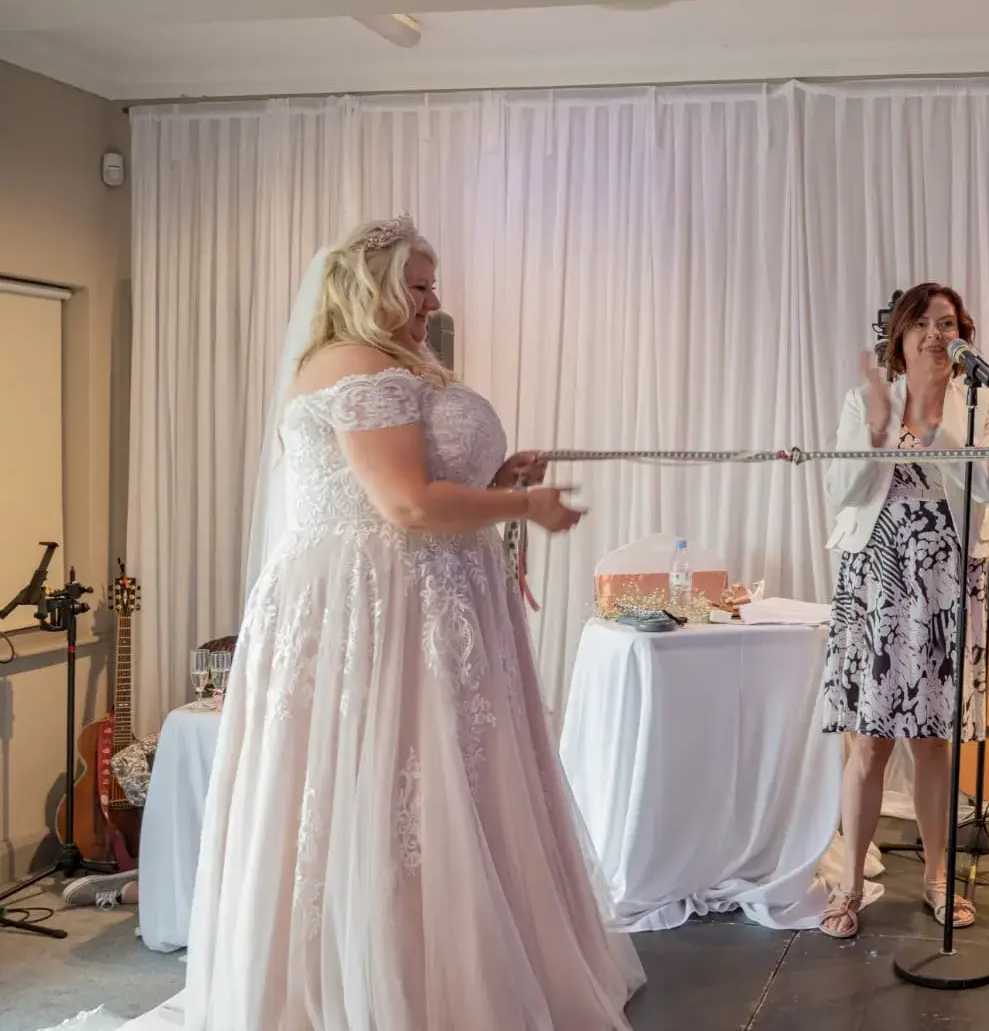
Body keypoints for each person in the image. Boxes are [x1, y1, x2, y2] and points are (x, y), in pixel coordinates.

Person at [177, 215, 646, 1030]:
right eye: (419, 286)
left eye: (433, 285)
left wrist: (495, 479)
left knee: (449, 785)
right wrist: (521, 505)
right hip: (375, 606)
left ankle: (463, 965)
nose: (434, 301)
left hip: (429, 594)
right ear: (372, 288)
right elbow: (403, 504)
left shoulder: (396, 363)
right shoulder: (356, 365)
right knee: (387, 783)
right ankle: (392, 984)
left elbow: (414, 485)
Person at [817, 282, 989, 939]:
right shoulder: (865, 401)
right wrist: (879, 425)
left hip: (947, 583)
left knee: (934, 742)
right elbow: (840, 487)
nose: (937, 333)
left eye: (949, 323)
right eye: (925, 322)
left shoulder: (983, 399)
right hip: (874, 581)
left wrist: (935, 423)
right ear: (900, 334)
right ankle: (849, 887)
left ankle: (937, 877)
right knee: (869, 743)